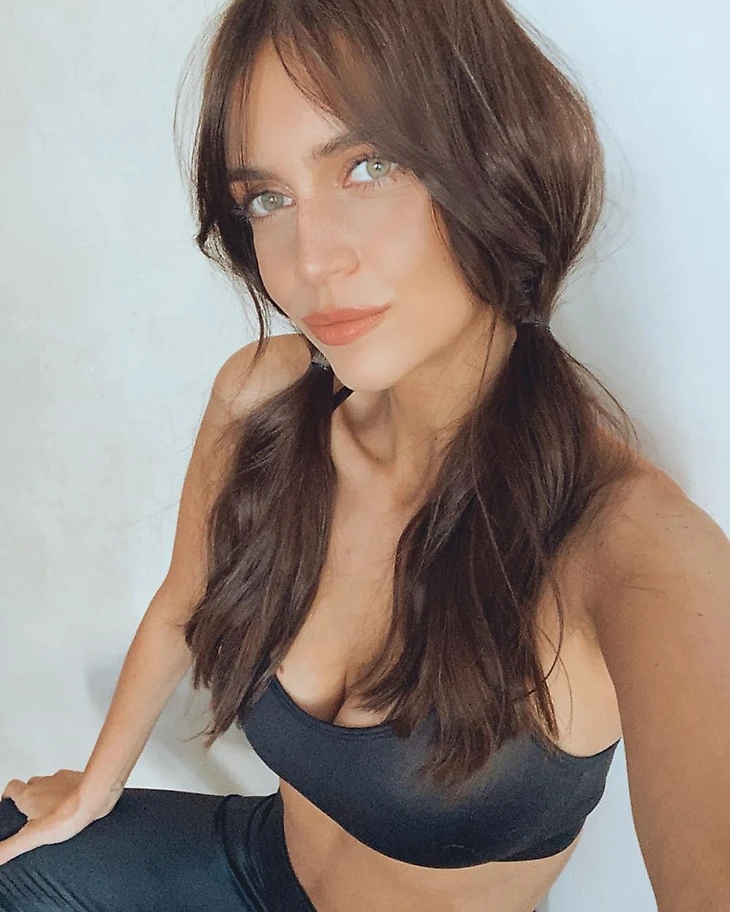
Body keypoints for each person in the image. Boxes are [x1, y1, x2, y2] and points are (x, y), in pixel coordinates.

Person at [2, 0, 729, 910]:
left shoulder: (627, 545)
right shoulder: (262, 400)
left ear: (497, 158)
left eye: (369, 165)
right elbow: (181, 605)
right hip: (254, 867)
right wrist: (95, 787)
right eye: (267, 198)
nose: (311, 261)